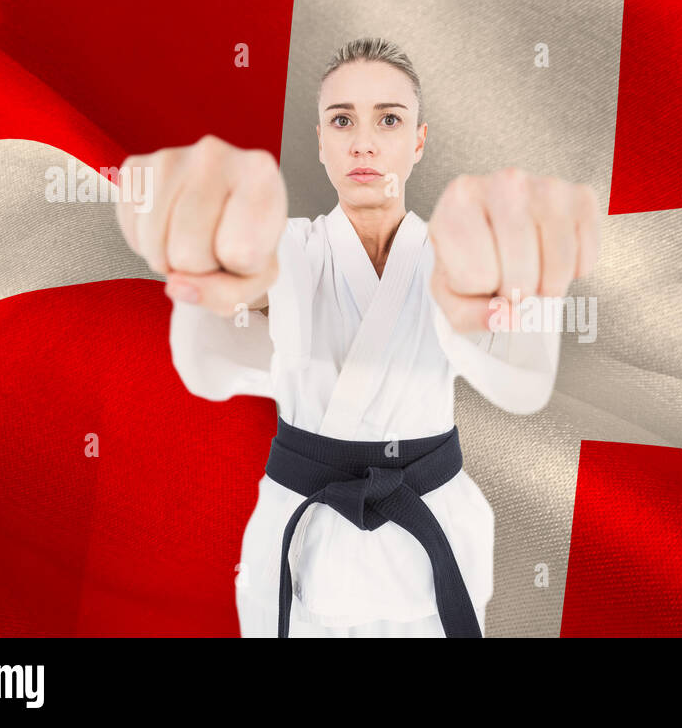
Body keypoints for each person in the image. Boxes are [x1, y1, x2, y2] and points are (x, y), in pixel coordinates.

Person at [114, 37, 600, 637]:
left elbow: (521, 385)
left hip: (429, 532)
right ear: (320, 140)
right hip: (301, 536)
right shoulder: (287, 247)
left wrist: (524, 284)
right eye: (342, 119)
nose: (363, 142)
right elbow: (227, 335)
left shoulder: (457, 254)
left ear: (418, 140)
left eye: (388, 119)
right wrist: (219, 247)